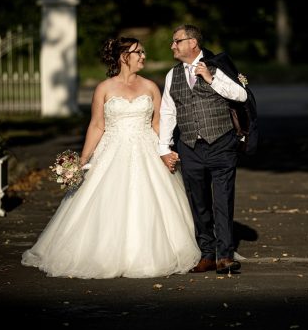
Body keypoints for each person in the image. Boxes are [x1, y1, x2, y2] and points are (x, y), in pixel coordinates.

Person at [22, 36, 201, 279]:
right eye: (138, 52)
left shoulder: (150, 87)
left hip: (146, 148)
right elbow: (97, 125)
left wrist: (165, 150)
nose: (143, 57)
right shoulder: (104, 88)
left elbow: (159, 122)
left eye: (143, 52)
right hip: (111, 150)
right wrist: (83, 160)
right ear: (123, 57)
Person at [159, 25, 248, 275]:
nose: (172, 45)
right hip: (189, 147)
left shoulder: (218, 66)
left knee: (222, 200)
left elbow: (241, 95)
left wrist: (212, 79)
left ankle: (225, 256)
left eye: (177, 41)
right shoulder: (172, 75)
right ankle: (206, 254)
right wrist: (164, 146)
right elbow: (168, 111)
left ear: (193, 43)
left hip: (221, 144)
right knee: (198, 202)